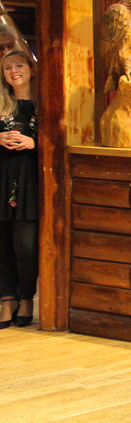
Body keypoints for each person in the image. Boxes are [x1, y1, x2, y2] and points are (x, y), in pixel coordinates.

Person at [0, 50, 37, 328]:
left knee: (25, 244)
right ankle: (7, 299)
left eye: (19, 65)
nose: (14, 71)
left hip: (30, 180)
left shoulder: (42, 102)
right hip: (2, 176)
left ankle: (26, 297)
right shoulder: (1, 102)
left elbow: (61, 137)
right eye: (7, 67)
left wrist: (34, 143)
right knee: (2, 242)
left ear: (31, 69)